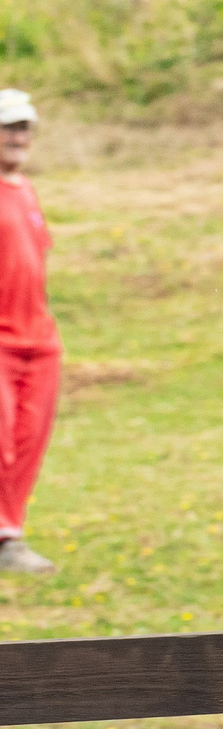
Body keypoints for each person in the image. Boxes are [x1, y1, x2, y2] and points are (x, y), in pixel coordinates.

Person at [0, 89, 59, 574]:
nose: (19, 137)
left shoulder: (25, 190)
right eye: (9, 127)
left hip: (38, 340)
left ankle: (10, 538)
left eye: (25, 128)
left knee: (28, 441)